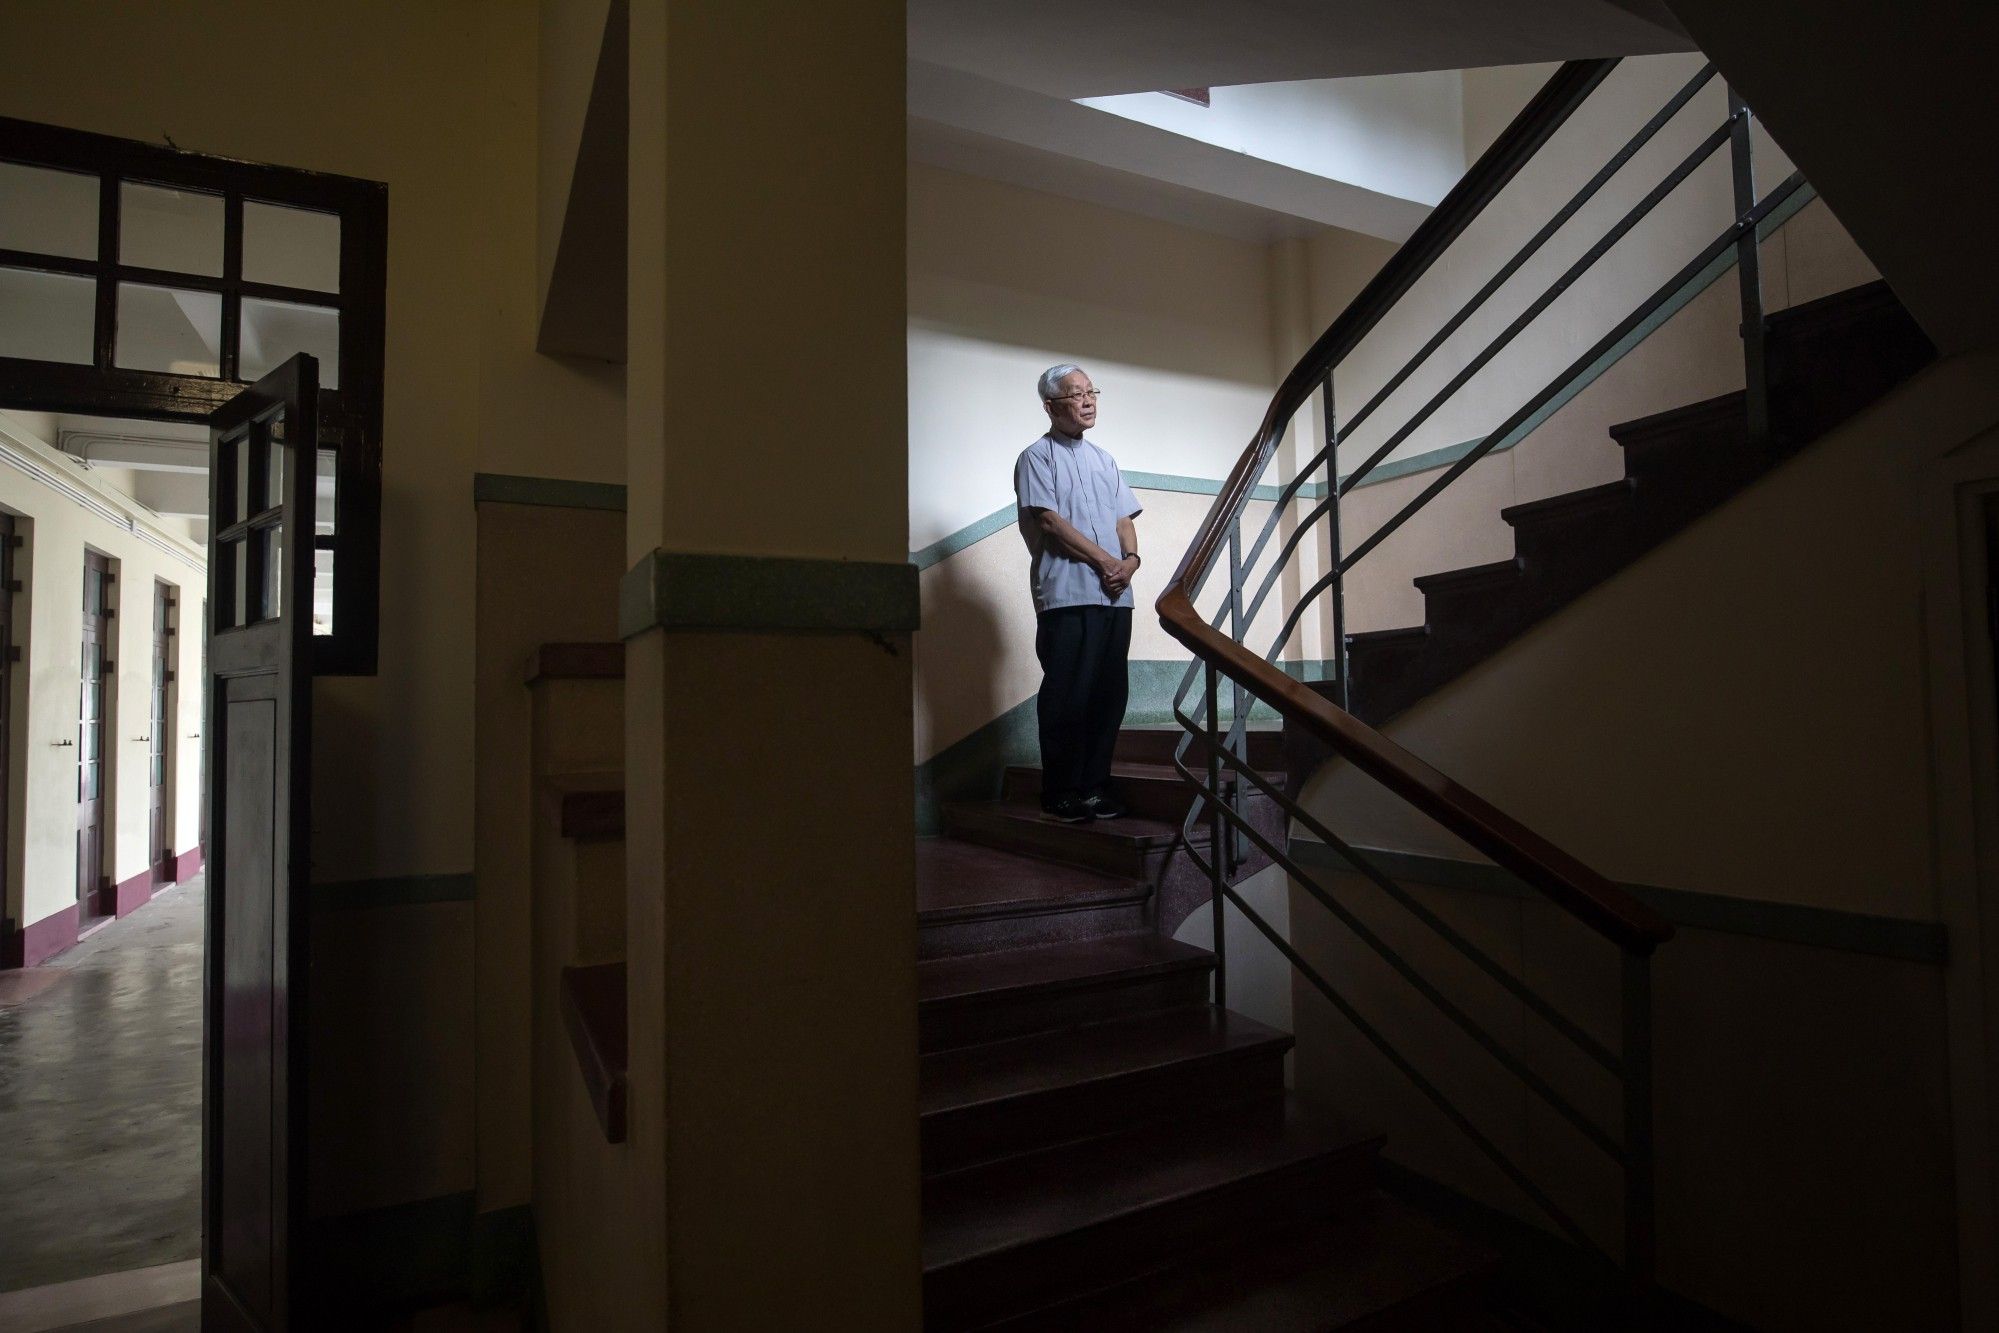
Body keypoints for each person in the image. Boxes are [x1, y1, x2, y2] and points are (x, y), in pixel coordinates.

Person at [1013, 364, 1142, 823]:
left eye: (1092, 392)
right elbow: (1049, 522)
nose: (1087, 401)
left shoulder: (1104, 459)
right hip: (1067, 595)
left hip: (1114, 596)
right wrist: (1104, 562)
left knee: (1109, 696)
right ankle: (1061, 790)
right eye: (1075, 394)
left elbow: (1124, 518)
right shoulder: (1036, 457)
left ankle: (1095, 786)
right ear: (1050, 406)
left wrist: (1129, 561)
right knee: (1067, 694)